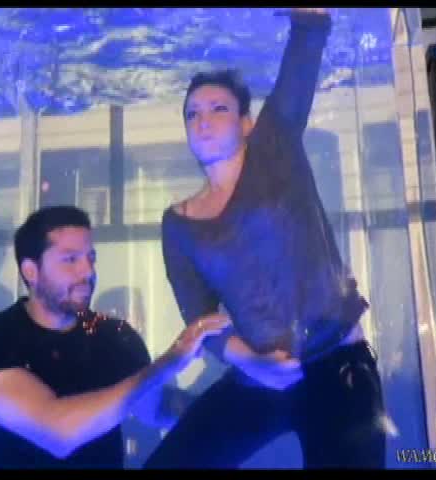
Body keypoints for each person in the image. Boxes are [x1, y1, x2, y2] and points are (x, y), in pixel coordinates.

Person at [144, 8, 386, 468]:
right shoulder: (178, 223)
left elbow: (306, 43)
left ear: (247, 123)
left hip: (338, 364)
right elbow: (200, 318)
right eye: (192, 113)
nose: (203, 120)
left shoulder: (276, 144)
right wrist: (250, 362)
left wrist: (309, 19)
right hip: (258, 374)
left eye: (219, 109)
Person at [0, 205, 229, 469]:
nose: (88, 271)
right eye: (70, 259)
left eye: (91, 258)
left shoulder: (115, 336)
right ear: (31, 271)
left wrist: (235, 394)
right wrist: (169, 361)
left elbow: (155, 408)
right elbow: (58, 432)